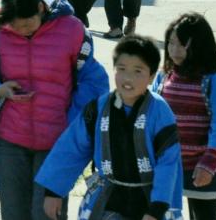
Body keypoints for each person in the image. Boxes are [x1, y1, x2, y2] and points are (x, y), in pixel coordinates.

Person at [0, 0, 109, 220]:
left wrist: (71, 124)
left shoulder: (72, 29)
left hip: (56, 142)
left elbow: (94, 82)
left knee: (47, 214)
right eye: (15, 25)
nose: (21, 30)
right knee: (14, 214)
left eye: (27, 24)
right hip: (9, 140)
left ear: (41, 8)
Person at [36, 35, 183, 220]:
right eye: (121, 69)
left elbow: (168, 163)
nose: (128, 78)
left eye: (138, 71)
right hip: (109, 197)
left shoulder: (160, 112)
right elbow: (72, 147)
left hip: (151, 200)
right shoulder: (98, 108)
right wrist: (53, 191)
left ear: (152, 76)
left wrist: (157, 208)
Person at [152, 13, 216, 220]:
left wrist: (209, 162)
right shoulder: (163, 77)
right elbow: (154, 118)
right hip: (168, 165)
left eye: (182, 45)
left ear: (199, 46)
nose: (174, 51)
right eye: (171, 43)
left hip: (203, 167)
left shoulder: (213, 82)